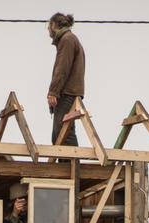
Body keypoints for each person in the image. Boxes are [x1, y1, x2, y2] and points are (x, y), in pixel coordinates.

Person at [47, 12, 85, 147]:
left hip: (67, 92)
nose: (47, 30)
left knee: (63, 133)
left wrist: (53, 92)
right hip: (70, 91)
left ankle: (71, 166)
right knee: (60, 133)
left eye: (48, 26)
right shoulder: (69, 39)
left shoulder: (67, 39)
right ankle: (67, 165)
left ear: (53, 25)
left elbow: (62, 69)